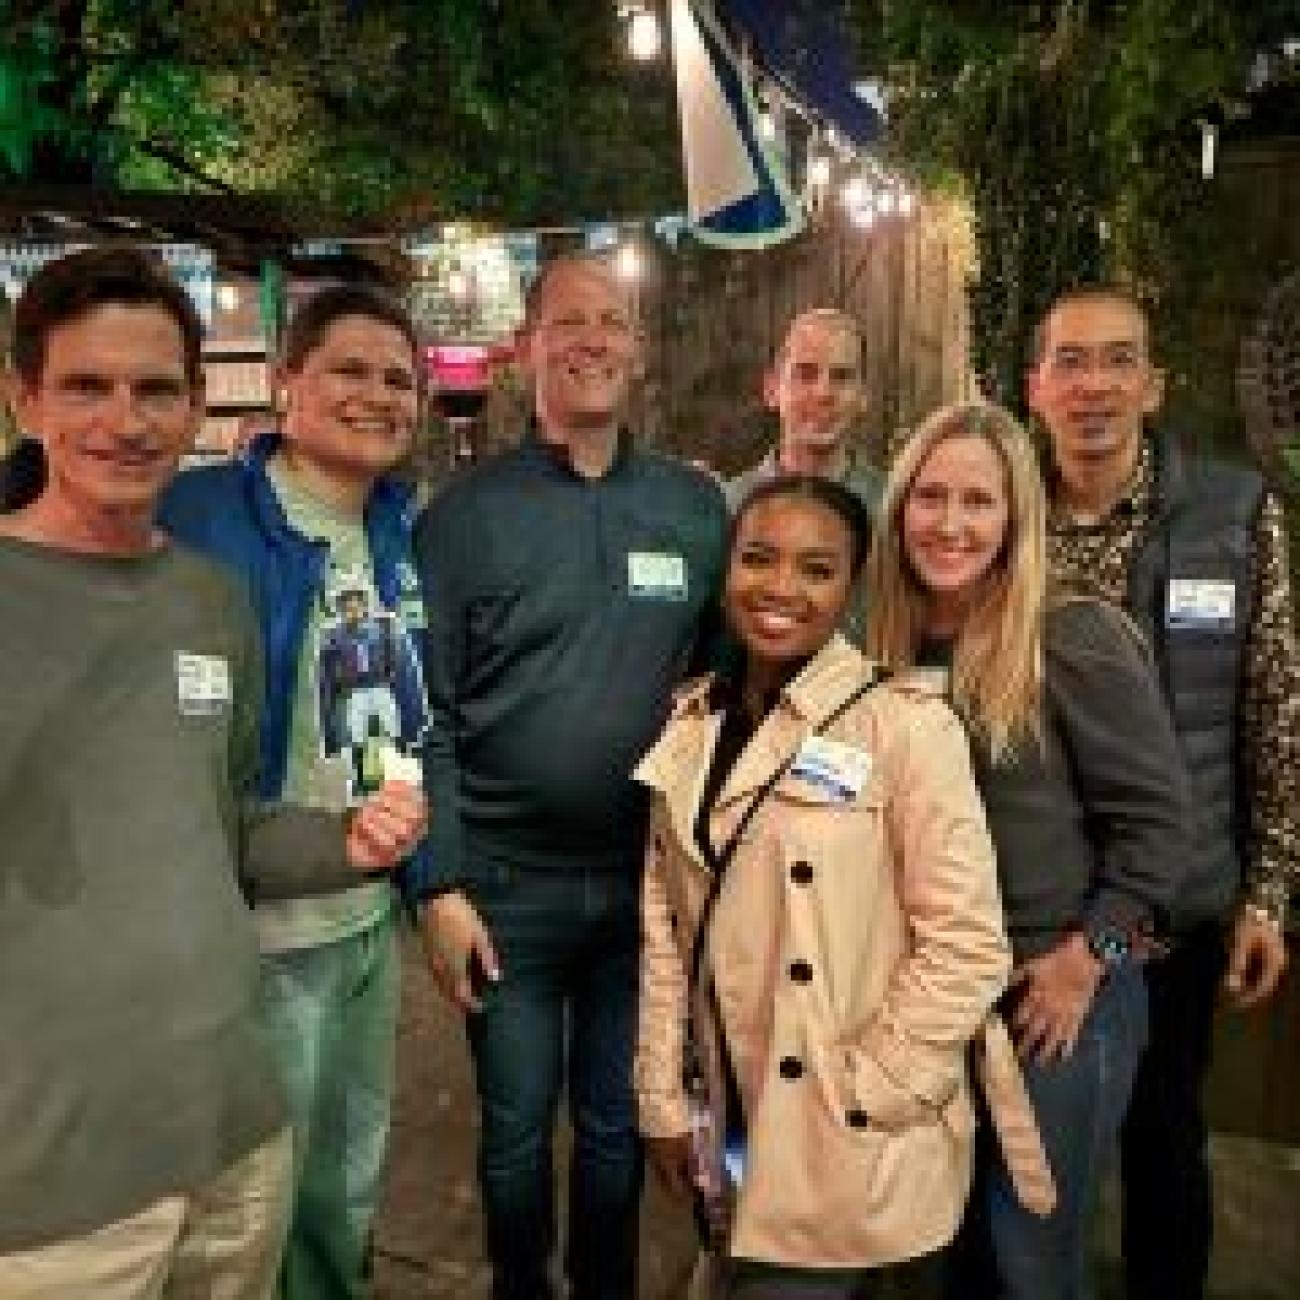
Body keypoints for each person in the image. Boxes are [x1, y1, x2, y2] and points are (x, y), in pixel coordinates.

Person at [0, 246, 426, 1299]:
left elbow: (225, 819)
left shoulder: (208, 597)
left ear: (198, 405)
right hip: (56, 1181)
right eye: (86, 386)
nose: (125, 420)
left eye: (155, 389)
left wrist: (345, 842)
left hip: (235, 1131)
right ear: (23, 399)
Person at [415, 251, 729, 1300]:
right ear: (526, 348)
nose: (592, 337)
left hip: (639, 893)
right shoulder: (460, 520)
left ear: (637, 350)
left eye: (613, 320)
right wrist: (440, 884)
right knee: (511, 1133)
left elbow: (724, 687)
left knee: (613, 1125)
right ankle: (518, 1285)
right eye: (568, 321)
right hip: (503, 891)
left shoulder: (693, 512)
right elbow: (429, 717)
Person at [635, 474, 1023, 1299]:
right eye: (758, 558)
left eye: (816, 569)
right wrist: (662, 1097)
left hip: (843, 1128)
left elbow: (969, 943)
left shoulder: (907, 728)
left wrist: (871, 1086)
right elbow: (667, 927)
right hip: (731, 1116)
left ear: (852, 586)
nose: (780, 588)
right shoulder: (693, 721)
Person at [865, 402, 1192, 1299]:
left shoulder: (1072, 635)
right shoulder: (882, 640)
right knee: (954, 1257)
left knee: (1033, 1266)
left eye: (979, 500)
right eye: (931, 496)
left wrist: (1093, 959)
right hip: (935, 1006)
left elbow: (1165, 830)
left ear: (1016, 519)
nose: (951, 523)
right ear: (900, 508)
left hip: (1053, 1007)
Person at [160, 282, 431, 1300]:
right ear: (286, 381)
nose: (377, 394)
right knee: (246, 1209)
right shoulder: (200, 516)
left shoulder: (398, 528)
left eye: (396, 378)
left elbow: (411, 713)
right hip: (256, 928)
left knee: (346, 1181)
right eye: (348, 370)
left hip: (366, 921)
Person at [1026, 286, 1297, 1300]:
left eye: (1117, 360)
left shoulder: (1232, 514)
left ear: (1153, 384)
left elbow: (1273, 705)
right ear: (1034, 385)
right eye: (1070, 362)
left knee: (1164, 1147)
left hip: (1174, 905)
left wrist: (1268, 889)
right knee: (1026, 1153)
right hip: (1037, 909)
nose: (1093, 383)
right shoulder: (998, 515)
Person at [726, 310, 883, 641]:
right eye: (805, 374)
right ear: (772, 389)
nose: (823, 393)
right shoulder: (727, 506)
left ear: (863, 396)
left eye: (841, 377)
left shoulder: (893, 510)